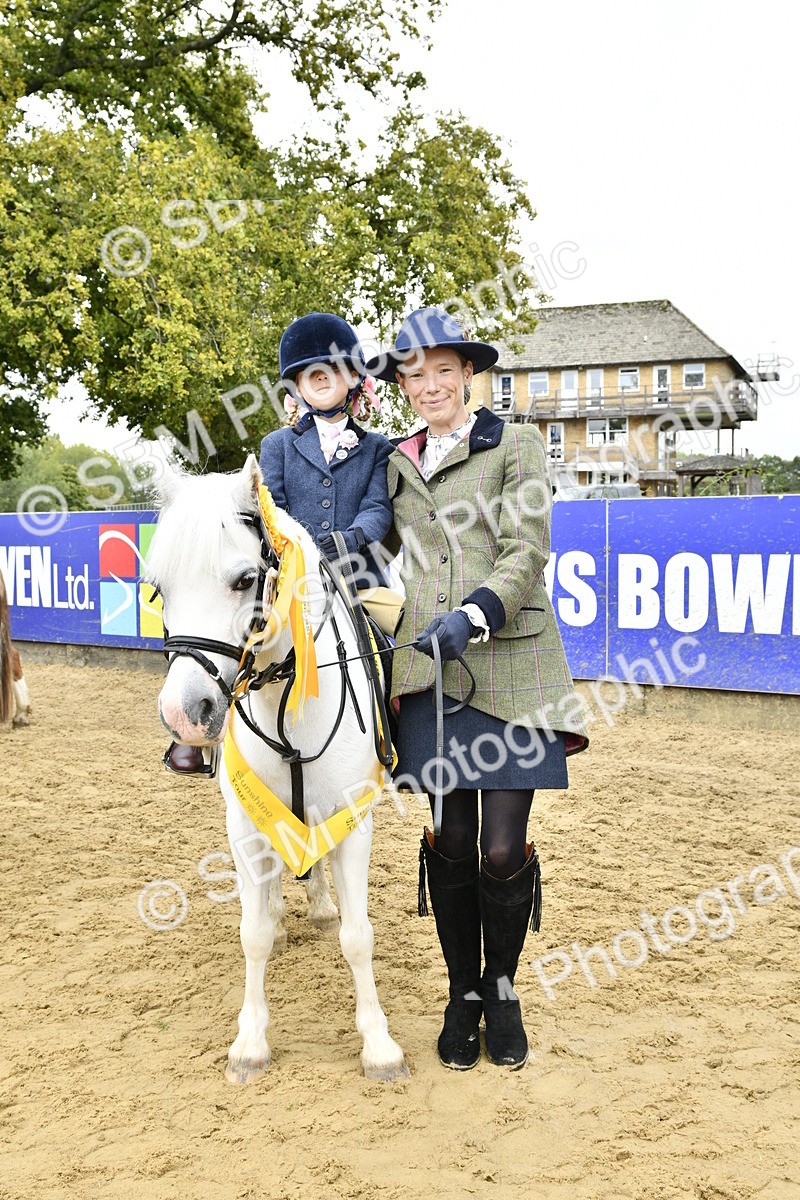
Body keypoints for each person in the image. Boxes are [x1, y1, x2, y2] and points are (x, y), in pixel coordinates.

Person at [366, 308, 589, 1072]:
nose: (429, 385)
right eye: (414, 374)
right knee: (453, 840)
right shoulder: (395, 461)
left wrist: (475, 613)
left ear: (468, 374)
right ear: (401, 384)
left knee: (499, 849)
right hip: (430, 671)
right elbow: (363, 537)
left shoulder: (515, 443)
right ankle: (462, 992)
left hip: (511, 662)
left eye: (442, 371)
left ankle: (502, 986)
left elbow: (529, 549)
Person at [165, 312, 393, 775]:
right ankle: (197, 737)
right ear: (297, 387)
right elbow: (274, 509)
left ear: (353, 378)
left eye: (332, 370)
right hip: (290, 576)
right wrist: (302, 549)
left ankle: (390, 738)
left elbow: (378, 512)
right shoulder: (277, 446)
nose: (323, 379)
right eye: (312, 374)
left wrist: (341, 542)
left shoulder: (377, 449)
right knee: (223, 631)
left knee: (391, 642)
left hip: (357, 577)